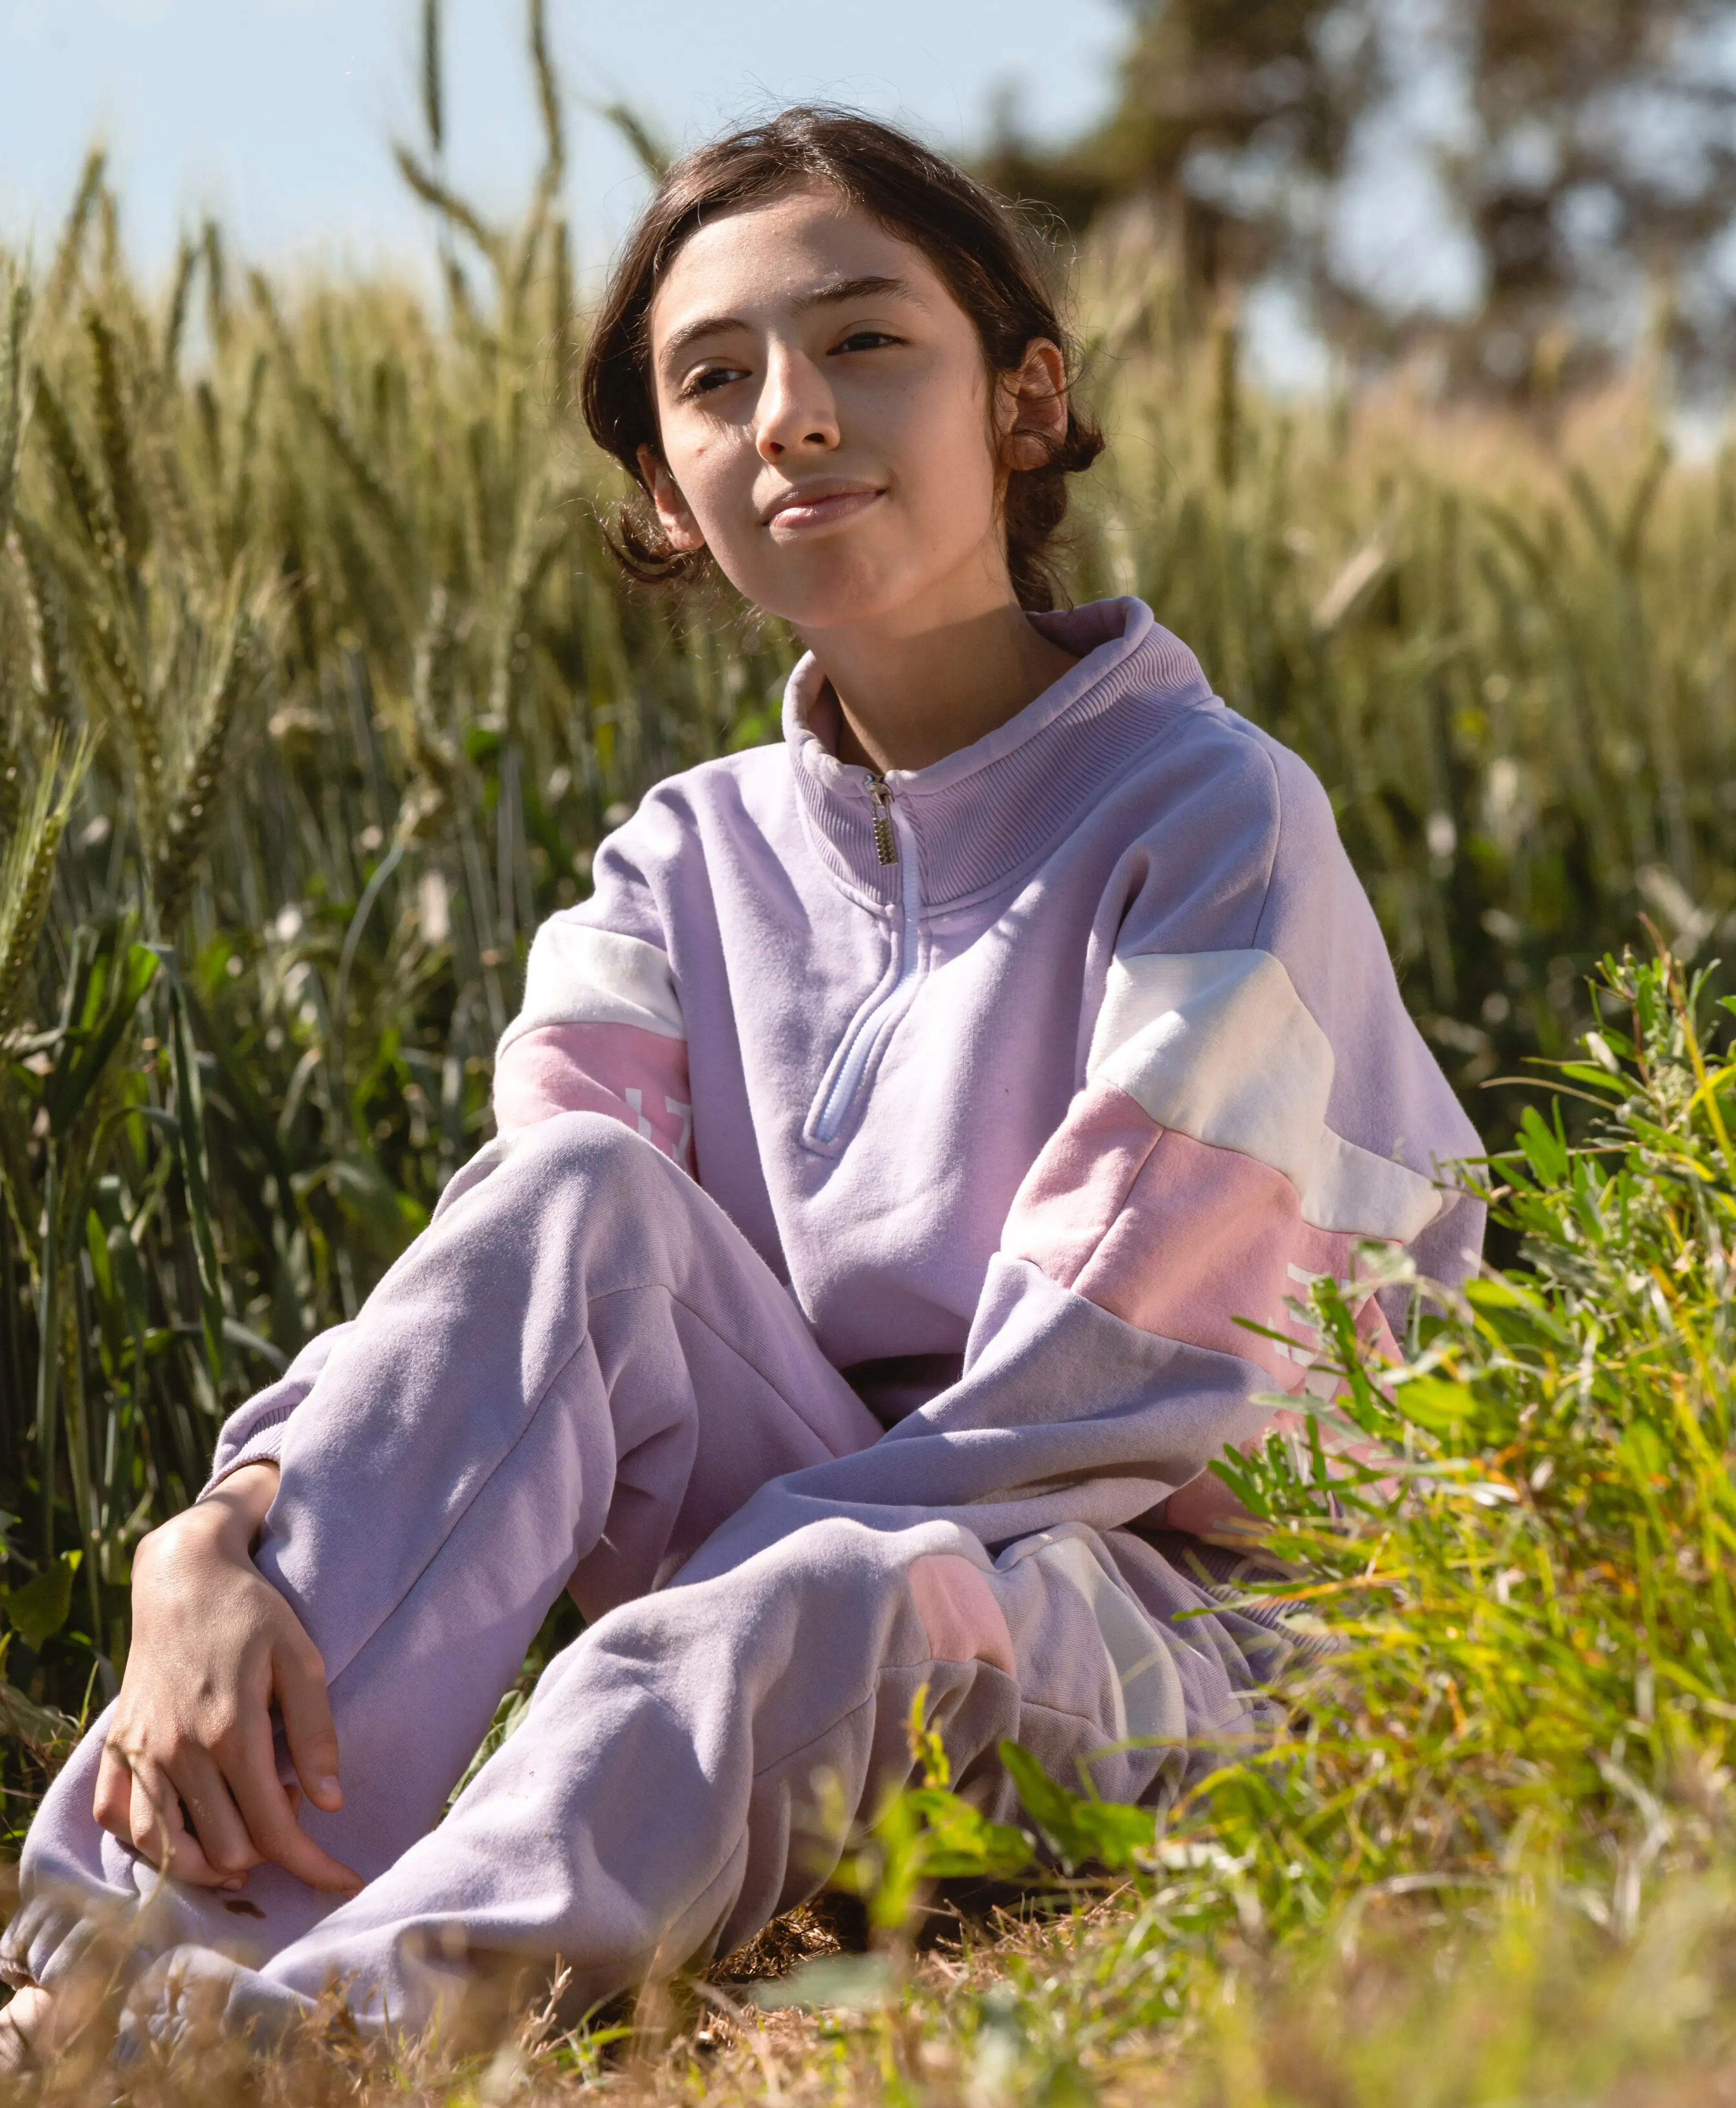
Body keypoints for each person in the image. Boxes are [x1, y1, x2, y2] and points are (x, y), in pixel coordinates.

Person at [0, 107, 1482, 2056]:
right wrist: (213, 1532)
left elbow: (1104, 1402)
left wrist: (679, 1622)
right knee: (577, 1204)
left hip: (1170, 1625)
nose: (788, 412)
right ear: (667, 483)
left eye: (865, 341)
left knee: (812, 1609)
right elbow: (501, 1289)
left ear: (1022, 399)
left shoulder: (1214, 820)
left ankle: (333, 2041)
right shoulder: (675, 860)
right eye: (714, 378)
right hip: (809, 1550)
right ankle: (102, 1965)